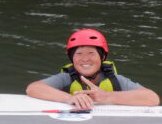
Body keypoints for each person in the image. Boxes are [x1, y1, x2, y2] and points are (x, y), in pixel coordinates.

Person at [26, 28, 160, 108]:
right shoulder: (66, 78)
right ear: (72, 58)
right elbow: (33, 88)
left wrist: (106, 97)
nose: (85, 59)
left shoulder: (116, 80)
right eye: (79, 54)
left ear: (102, 57)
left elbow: (152, 98)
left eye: (91, 53)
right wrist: (70, 98)